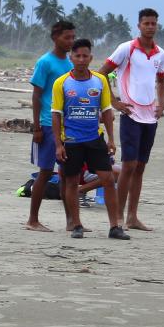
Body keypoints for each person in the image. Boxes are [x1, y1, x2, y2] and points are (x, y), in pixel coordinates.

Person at [53, 38, 127, 240]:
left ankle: (115, 227)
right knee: (70, 182)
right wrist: (59, 144)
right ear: (71, 58)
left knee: (108, 180)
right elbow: (56, 114)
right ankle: (76, 225)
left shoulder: (99, 80)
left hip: (95, 139)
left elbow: (106, 111)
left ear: (91, 58)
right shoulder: (61, 83)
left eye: (85, 56)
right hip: (71, 141)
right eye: (77, 56)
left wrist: (111, 139)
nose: (81, 59)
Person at [100, 8, 164, 232]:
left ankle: (133, 217)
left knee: (140, 166)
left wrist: (162, 104)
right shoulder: (126, 49)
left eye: (153, 23)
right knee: (128, 165)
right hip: (130, 115)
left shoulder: (160, 54)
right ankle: (117, 217)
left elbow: (161, 81)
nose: (150, 26)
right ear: (138, 25)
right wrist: (115, 102)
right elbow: (101, 74)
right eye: (146, 23)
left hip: (150, 117)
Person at [26, 20, 76, 232]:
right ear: (55, 37)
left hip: (67, 126)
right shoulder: (45, 62)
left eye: (73, 37)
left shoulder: (71, 64)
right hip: (47, 124)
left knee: (66, 174)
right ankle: (33, 220)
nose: (70, 41)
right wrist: (36, 127)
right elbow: (37, 95)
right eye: (67, 37)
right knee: (45, 172)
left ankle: (71, 221)